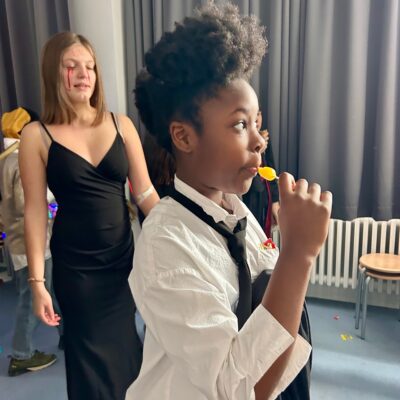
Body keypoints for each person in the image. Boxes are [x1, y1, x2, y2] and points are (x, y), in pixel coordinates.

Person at [126, 2, 331, 399]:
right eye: (240, 124)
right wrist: (298, 255)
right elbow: (234, 388)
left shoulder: (234, 211)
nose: (258, 141)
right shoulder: (165, 244)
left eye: (257, 123)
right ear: (184, 137)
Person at [18, 32, 159, 399]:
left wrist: (181, 234)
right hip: (76, 269)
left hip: (122, 263)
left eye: (90, 67)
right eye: (72, 66)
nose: (84, 74)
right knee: (89, 360)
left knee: (127, 349)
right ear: (53, 72)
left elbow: (144, 192)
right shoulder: (36, 135)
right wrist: (37, 282)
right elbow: (35, 211)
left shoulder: (121, 124)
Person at [0, 107, 59, 377]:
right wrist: (55, 205)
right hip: (31, 245)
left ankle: (67, 334)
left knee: (50, 290)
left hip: (19, 242)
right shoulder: (19, 161)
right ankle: (21, 355)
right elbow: (29, 206)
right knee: (31, 296)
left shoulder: (6, 160)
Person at [243, 111, 280, 237]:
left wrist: (275, 201)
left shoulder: (264, 138)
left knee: (262, 235)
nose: (257, 119)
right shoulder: (239, 142)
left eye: (258, 114)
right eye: (252, 114)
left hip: (263, 197)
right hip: (248, 196)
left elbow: (271, 167)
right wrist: (257, 151)